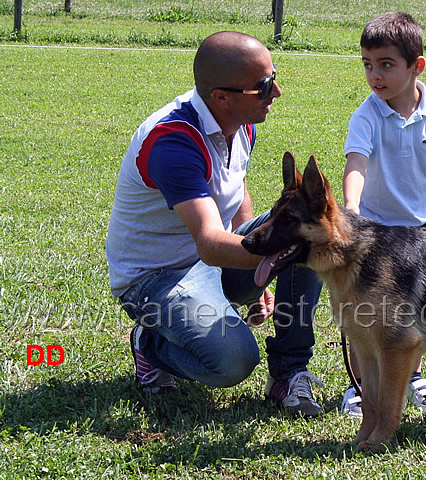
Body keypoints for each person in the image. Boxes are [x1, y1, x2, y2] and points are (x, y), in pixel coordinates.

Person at [106, 31, 324, 417]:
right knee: (232, 361)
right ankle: (148, 343)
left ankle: (289, 373)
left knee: (311, 232)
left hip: (209, 263)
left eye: (273, 77)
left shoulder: (241, 122)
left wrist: (257, 281)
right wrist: (272, 259)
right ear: (221, 97)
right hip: (156, 279)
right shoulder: (173, 142)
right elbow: (209, 243)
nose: (277, 92)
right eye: (264, 86)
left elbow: (238, 198)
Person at [341, 12, 426, 418]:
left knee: (414, 311)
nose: (374, 75)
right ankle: (360, 386)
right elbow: (356, 162)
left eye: (386, 65)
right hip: (375, 233)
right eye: (367, 65)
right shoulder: (367, 115)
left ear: (417, 66)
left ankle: (413, 378)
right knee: (366, 315)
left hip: (423, 232)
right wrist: (353, 208)